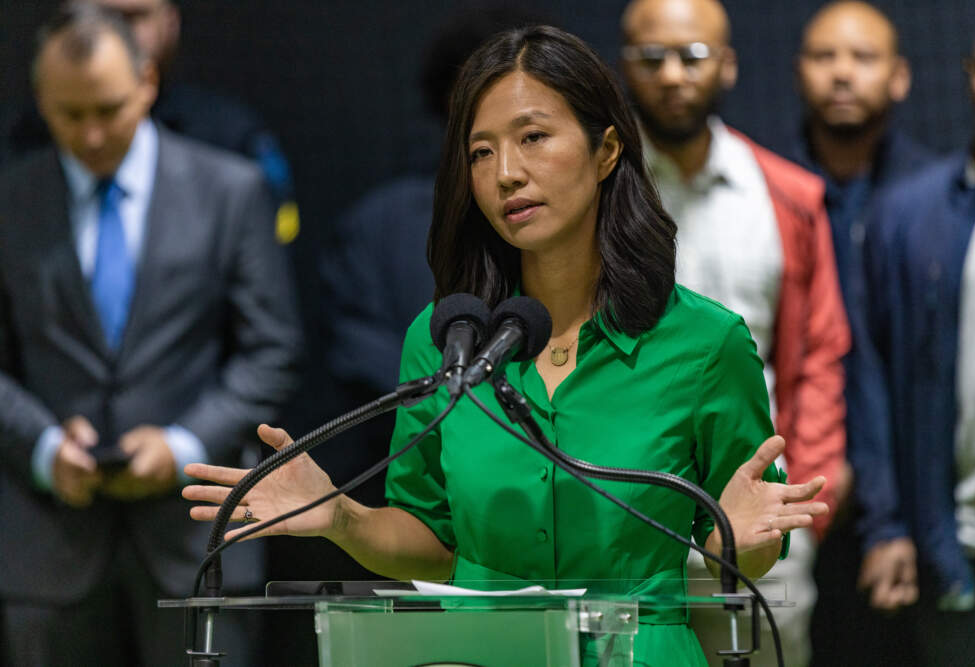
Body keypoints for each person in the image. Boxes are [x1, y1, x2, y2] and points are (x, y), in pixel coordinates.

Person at [183, 25, 829, 666]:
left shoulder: (705, 343)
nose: (506, 174)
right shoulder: (445, 342)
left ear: (606, 151)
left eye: (533, 138)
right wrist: (340, 516)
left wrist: (744, 540)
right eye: (481, 152)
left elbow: (742, 544)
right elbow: (434, 541)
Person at [0, 3, 302, 666]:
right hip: (47, 546)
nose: (91, 134)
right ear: (41, 100)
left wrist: (183, 443)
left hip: (198, 538)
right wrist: (44, 446)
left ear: (147, 84)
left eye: (108, 109)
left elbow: (272, 350)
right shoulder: (11, 199)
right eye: (69, 114)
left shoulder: (231, 190)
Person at [618, 0, 850, 664]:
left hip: (762, 520)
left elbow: (820, 356)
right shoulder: (597, 192)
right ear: (624, 67)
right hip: (626, 523)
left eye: (692, 56)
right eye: (651, 57)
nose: (672, 75)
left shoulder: (787, 195)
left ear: (727, 65)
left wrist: (804, 498)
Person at [786, 3, 935, 663]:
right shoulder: (767, 189)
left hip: (916, 501)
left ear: (900, 76)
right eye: (825, 57)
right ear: (799, 72)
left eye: (863, 57)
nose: (842, 73)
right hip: (791, 490)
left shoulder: (938, 196)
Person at [850, 13, 975, 666]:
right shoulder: (907, 215)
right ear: (970, 78)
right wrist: (885, 524)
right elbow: (870, 380)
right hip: (953, 547)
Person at [1, 0, 298, 239]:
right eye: (72, 115)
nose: (94, 137)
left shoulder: (229, 141)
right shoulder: (16, 146)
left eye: (133, 18)